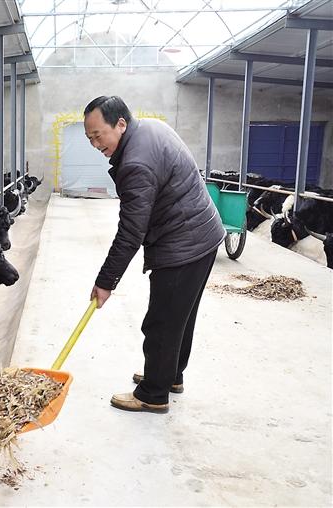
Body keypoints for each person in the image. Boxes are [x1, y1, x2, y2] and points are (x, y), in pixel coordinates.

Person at [83, 96, 225, 414]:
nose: (95, 144)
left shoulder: (135, 164)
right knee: (180, 317)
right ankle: (170, 375)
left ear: (120, 123)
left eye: (98, 135)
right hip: (203, 234)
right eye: (89, 138)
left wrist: (106, 281)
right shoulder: (147, 127)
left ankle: (153, 393)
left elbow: (131, 231)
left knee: (161, 322)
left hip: (184, 244)